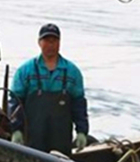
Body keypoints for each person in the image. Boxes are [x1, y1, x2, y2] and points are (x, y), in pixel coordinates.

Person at [9, 23, 89, 155]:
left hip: (61, 139)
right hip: (32, 138)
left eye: (54, 40)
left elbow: (79, 104)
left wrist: (82, 131)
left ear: (59, 42)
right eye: (46, 40)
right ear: (39, 42)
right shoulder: (25, 71)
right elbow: (15, 102)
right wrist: (16, 130)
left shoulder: (72, 72)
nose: (50, 44)